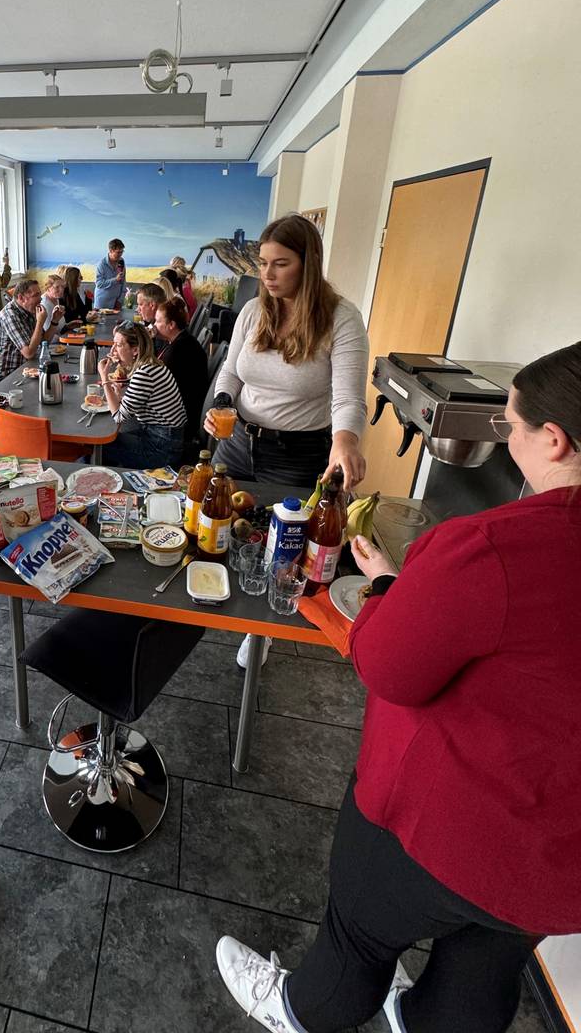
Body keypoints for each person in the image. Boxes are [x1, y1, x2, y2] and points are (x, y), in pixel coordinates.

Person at [216, 340, 581, 1033]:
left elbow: (387, 665)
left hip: (447, 823)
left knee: (358, 939)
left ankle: (298, 1011)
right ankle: (414, 1019)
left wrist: (388, 588)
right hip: (563, 861)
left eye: (509, 426)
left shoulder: (494, 548)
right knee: (482, 974)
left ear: (554, 439)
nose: (506, 440)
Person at [204, 214, 368, 668]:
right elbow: (231, 371)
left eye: (280, 264)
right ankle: (211, 596)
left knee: (284, 551)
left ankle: (260, 630)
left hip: (297, 454)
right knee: (222, 525)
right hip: (238, 441)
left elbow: (348, 398)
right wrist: (222, 402)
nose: (267, 275)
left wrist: (345, 442)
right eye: (262, 263)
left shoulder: (341, 319)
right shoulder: (254, 311)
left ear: (308, 263)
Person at [98, 321, 186, 467]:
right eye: (113, 344)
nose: (112, 350)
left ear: (135, 350)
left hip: (162, 448)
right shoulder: (152, 364)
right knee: (111, 439)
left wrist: (104, 378)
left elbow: (119, 417)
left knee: (99, 446)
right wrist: (119, 397)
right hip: (165, 437)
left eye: (119, 345)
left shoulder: (144, 374)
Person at [155, 296, 208, 440]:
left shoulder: (176, 352)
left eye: (158, 321)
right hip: (186, 413)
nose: (154, 325)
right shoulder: (183, 340)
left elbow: (155, 386)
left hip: (178, 426)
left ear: (171, 325)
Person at [0, 277, 60, 384]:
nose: (40, 299)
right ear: (21, 298)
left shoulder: (29, 310)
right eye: (36, 295)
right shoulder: (10, 316)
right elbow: (29, 353)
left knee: (56, 376)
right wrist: (40, 322)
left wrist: (55, 321)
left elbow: (43, 342)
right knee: (52, 384)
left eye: (40, 294)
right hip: (7, 375)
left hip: (26, 367)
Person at [94, 237, 127, 311]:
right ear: (111, 251)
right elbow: (99, 284)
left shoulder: (121, 261)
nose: (120, 255)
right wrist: (115, 280)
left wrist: (120, 300)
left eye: (122, 252)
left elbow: (123, 282)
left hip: (116, 302)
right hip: (102, 303)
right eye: (118, 252)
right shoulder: (101, 264)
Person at [136, 282, 168, 354]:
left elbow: (154, 357)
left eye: (140, 304)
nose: (138, 309)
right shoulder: (153, 323)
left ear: (152, 305)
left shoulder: (163, 329)